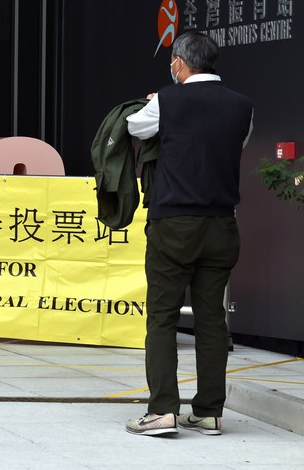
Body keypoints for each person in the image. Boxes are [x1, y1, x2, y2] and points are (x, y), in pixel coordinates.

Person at [124, 32, 254, 436]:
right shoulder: (242, 106)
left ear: (179, 63)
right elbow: (238, 143)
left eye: (172, 62)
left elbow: (134, 127)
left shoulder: (168, 98)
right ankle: (209, 412)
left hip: (174, 224)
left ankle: (163, 411)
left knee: (162, 317)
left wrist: (153, 104)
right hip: (221, 224)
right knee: (212, 318)